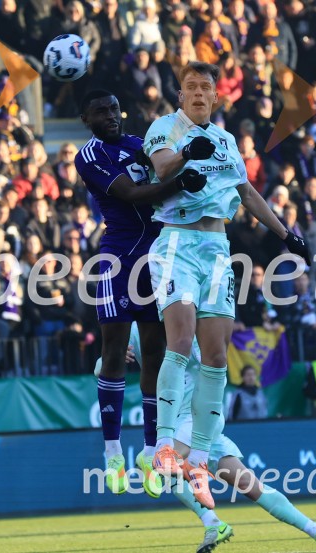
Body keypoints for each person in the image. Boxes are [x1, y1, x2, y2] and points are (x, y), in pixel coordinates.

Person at [142, 61, 309, 508]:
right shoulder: (163, 128)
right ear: (180, 95)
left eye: (205, 88)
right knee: (179, 340)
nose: (198, 94)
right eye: (191, 87)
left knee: (217, 353)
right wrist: (185, 159)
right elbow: (162, 171)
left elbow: (248, 193)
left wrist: (286, 235)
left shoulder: (225, 140)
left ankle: (197, 452)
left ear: (216, 97)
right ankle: (162, 445)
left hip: (217, 249)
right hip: (177, 240)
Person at [98, 323, 316, 553]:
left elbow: (213, 362)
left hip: (198, 417)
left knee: (160, 463)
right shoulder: (138, 329)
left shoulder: (184, 322)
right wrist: (113, 359)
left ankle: (213, 522)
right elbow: (104, 367)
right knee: (250, 486)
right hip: (174, 424)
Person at [74, 89, 209, 496]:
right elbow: (131, 195)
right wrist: (179, 180)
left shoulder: (142, 143)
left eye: (114, 109)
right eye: (101, 111)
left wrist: (187, 168)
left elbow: (168, 172)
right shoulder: (89, 155)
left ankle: (151, 450)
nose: (110, 116)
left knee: (155, 353)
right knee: (114, 350)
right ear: (87, 119)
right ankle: (113, 452)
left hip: (158, 255)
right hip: (118, 256)